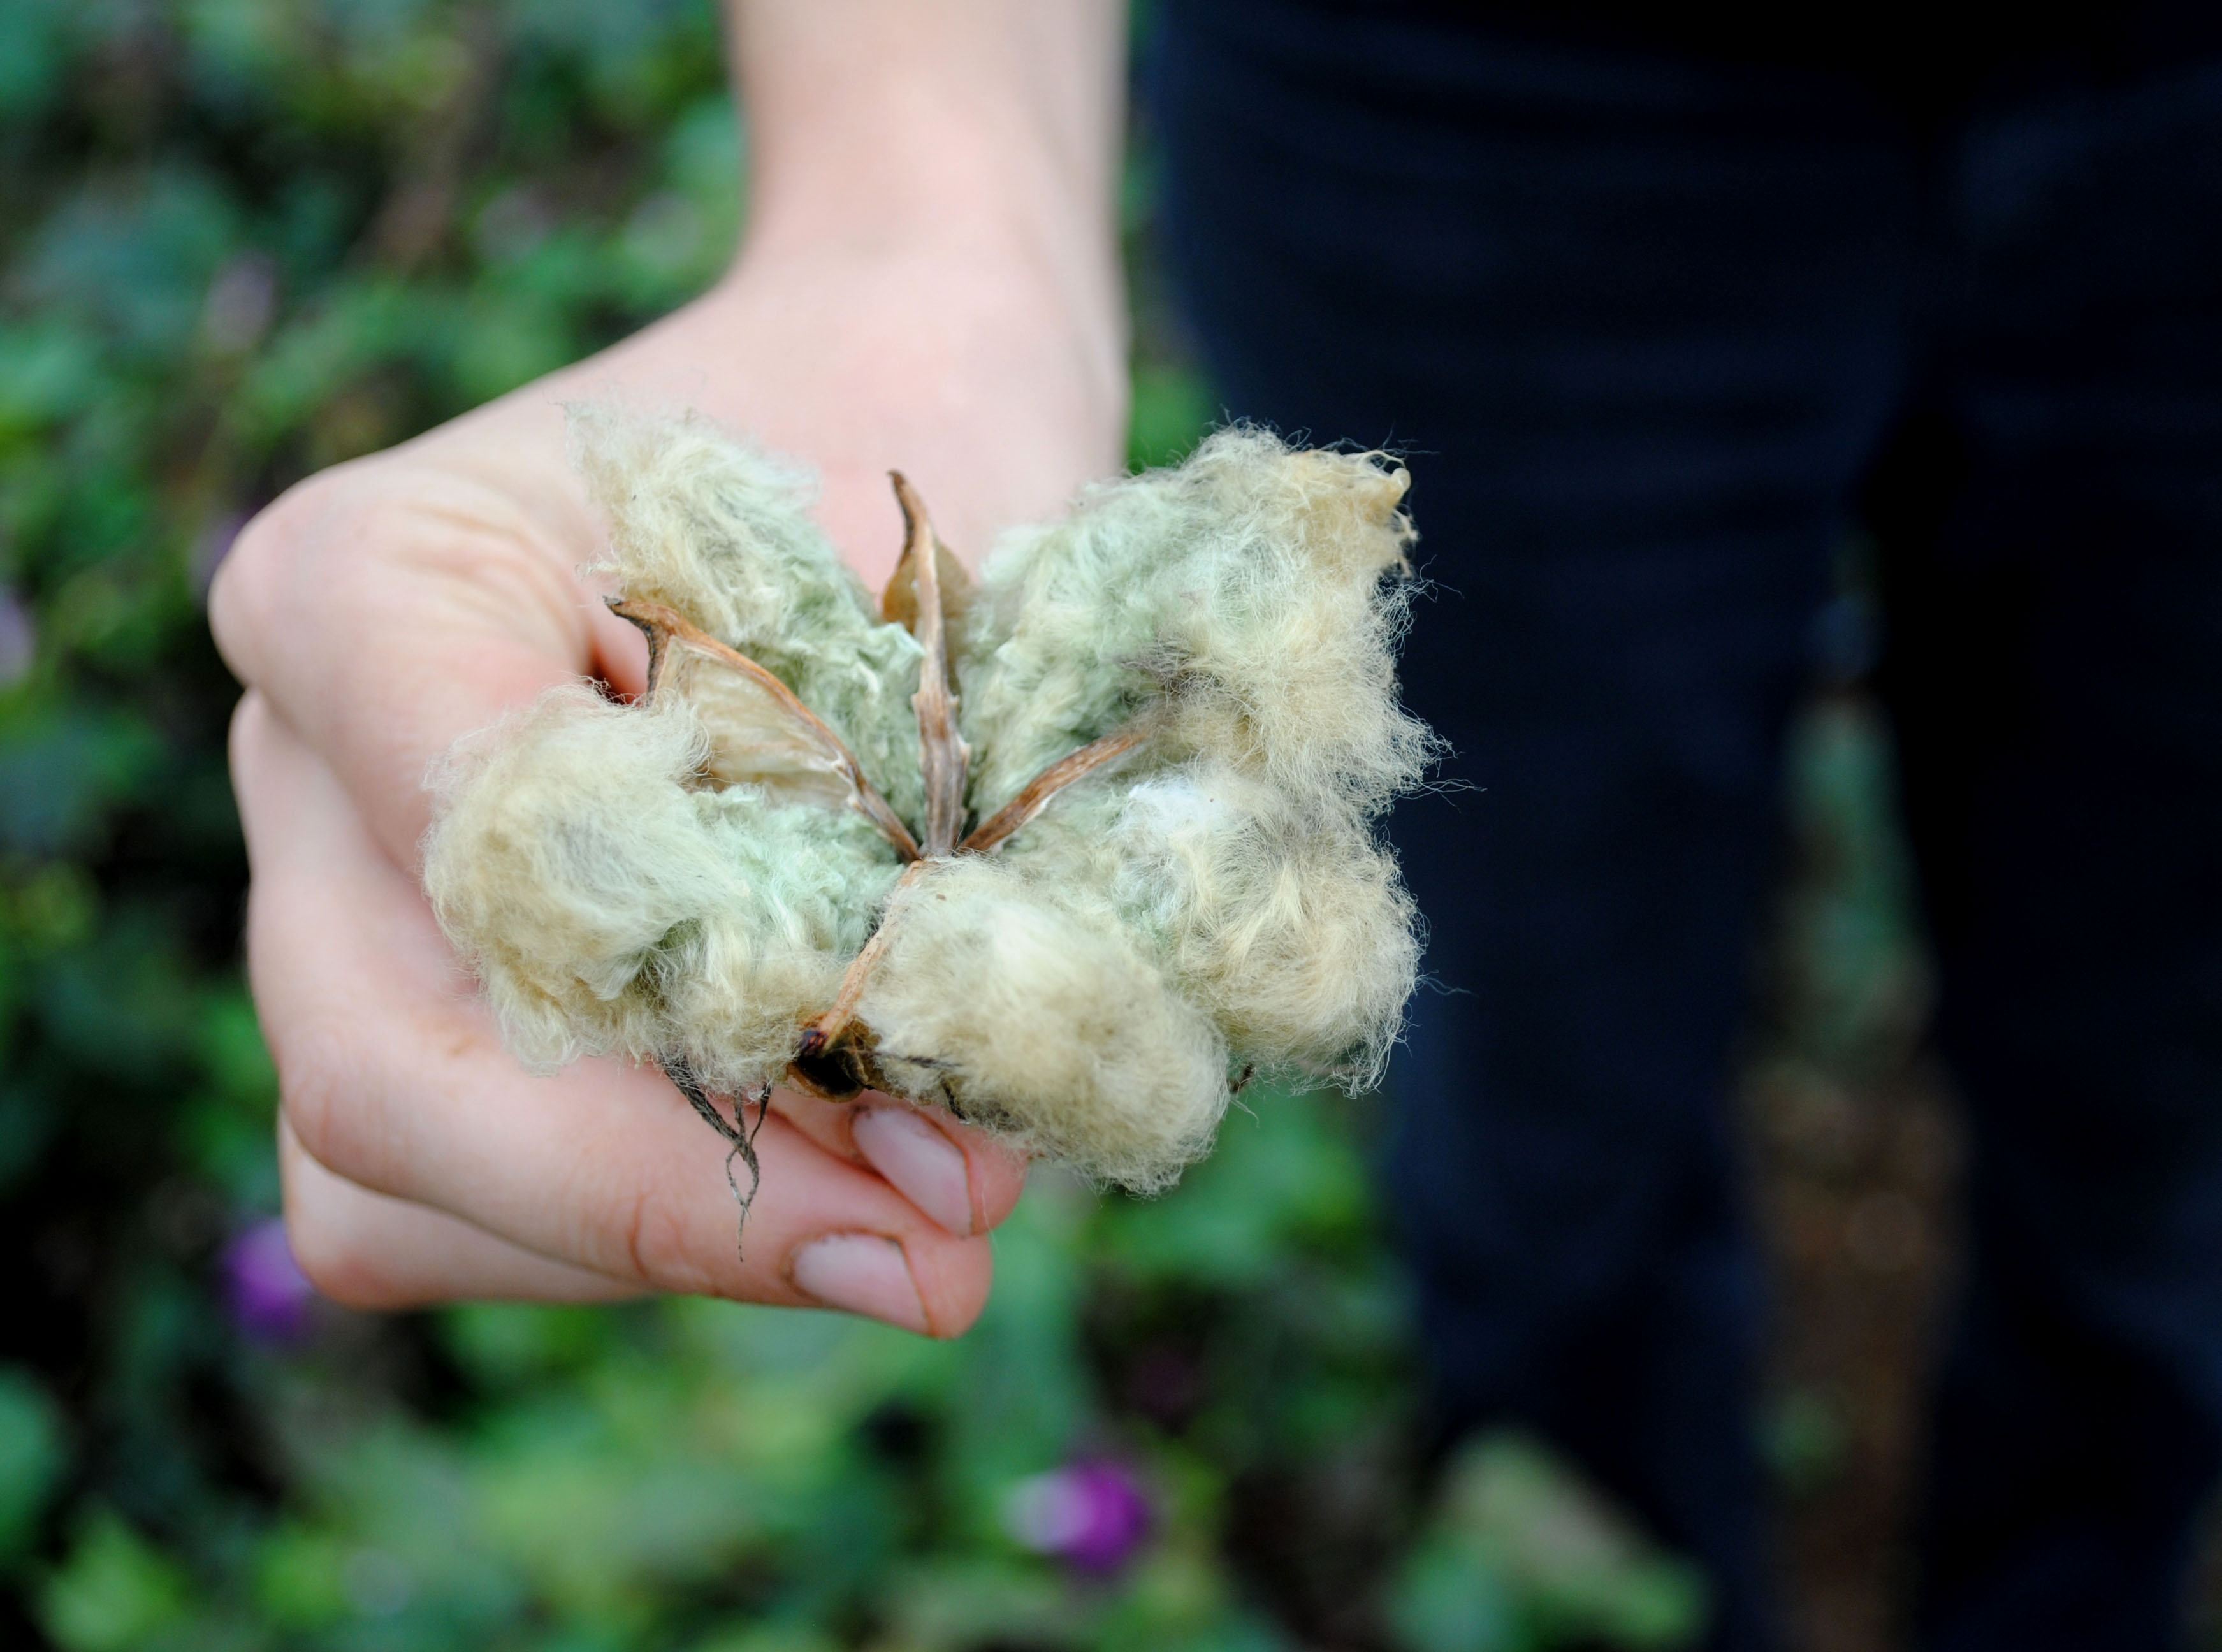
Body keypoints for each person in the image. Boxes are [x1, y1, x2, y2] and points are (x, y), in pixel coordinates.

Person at [212, 3, 2222, 1649]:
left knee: (2157, 1112)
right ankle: (1602, 1578)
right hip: (1473, 110)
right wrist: (916, 224)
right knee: (1551, 1113)